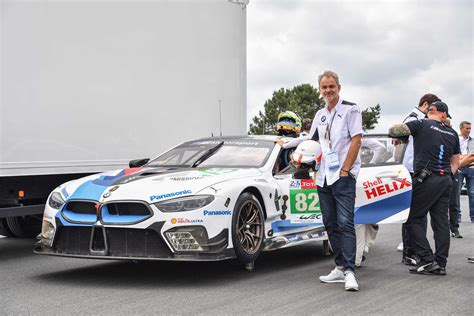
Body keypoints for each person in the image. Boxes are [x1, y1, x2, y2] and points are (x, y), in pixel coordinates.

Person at [277, 70, 363, 291]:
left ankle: (351, 272)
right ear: (320, 90)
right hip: (323, 177)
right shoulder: (320, 113)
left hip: (343, 176)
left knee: (345, 224)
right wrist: (285, 144)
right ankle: (340, 267)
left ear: (338, 87)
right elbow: (310, 138)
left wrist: (346, 170)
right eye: (324, 87)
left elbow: (356, 140)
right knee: (330, 224)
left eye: (331, 86)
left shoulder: (351, 109)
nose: (328, 90)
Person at [389, 101, 460, 275]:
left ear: (431, 111)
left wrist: (400, 133)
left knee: (412, 218)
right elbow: (456, 161)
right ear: (442, 114)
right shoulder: (452, 132)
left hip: (426, 178)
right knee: (441, 222)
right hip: (446, 180)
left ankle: (428, 260)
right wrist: (445, 175)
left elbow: (395, 130)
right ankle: (441, 263)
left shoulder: (421, 123)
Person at [397, 93, 441, 267]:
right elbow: (399, 142)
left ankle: (413, 249)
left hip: (417, 170)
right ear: (425, 105)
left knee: (418, 214)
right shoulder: (413, 118)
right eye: (431, 108)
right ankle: (409, 251)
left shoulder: (420, 119)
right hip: (411, 170)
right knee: (413, 215)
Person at [444, 118, 462, 238]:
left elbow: (457, 158)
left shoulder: (453, 136)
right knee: (441, 205)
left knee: (454, 203)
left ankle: (454, 229)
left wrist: (453, 170)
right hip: (437, 173)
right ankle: (443, 230)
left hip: (452, 172)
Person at [457, 121, 474, 222]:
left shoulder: (473, 141)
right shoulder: (456, 140)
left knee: (472, 193)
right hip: (459, 168)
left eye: (470, 128)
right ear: (461, 129)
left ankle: (473, 216)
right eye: (467, 128)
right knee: (457, 193)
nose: (469, 130)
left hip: (471, 168)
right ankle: (457, 216)